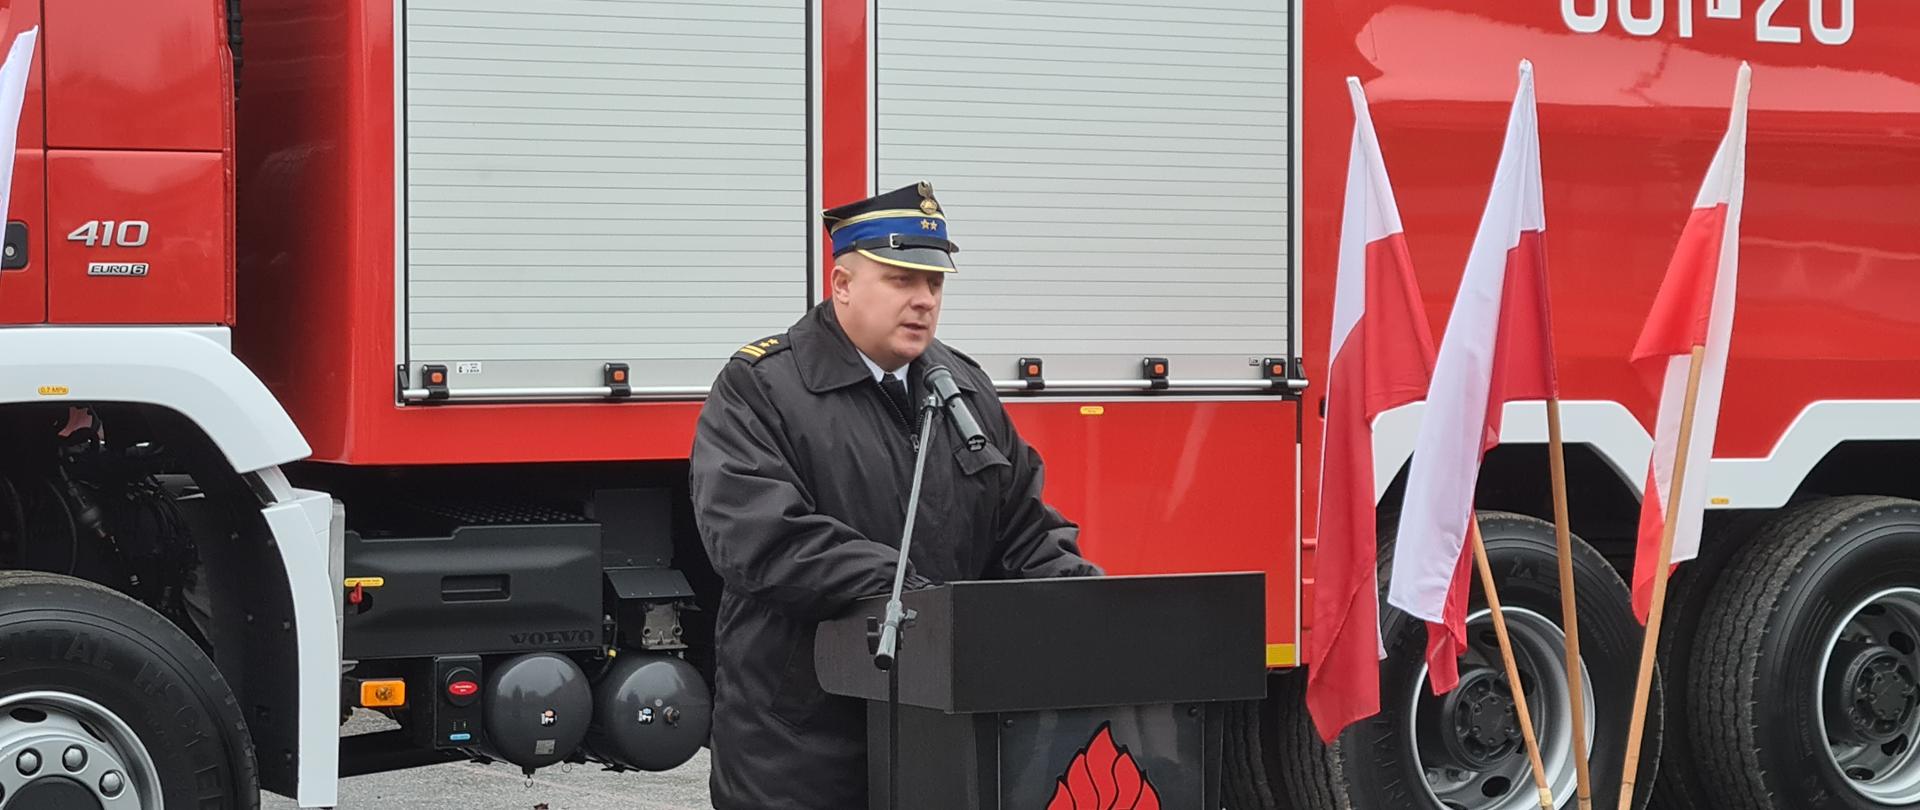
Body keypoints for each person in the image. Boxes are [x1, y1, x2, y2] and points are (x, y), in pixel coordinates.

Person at [688, 181, 1104, 809]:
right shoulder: (762, 386)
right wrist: (920, 601)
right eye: (901, 280)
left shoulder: (962, 389)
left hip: (937, 734)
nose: (923, 300)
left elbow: (1023, 532)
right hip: (801, 748)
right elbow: (761, 538)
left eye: (934, 284)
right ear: (842, 284)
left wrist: (1093, 609)